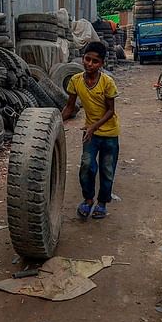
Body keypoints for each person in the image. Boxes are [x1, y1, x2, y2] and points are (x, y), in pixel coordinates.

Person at [61, 41, 120, 220]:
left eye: (95, 61)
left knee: (107, 169)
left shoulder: (107, 82)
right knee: (87, 166)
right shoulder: (75, 81)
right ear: (82, 58)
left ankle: (102, 203)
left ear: (101, 63)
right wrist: (54, 122)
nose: (89, 64)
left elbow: (111, 111)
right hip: (90, 134)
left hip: (109, 134)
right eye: (87, 59)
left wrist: (93, 126)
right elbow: (70, 107)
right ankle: (87, 200)